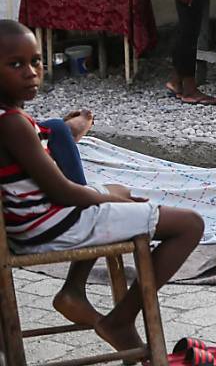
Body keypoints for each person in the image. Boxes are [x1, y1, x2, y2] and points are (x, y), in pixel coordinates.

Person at [0, 20, 204, 353]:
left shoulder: (12, 120)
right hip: (50, 227)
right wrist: (112, 200)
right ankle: (120, 320)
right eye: (16, 64)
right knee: (188, 225)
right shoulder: (12, 124)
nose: (31, 72)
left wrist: (109, 195)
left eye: (36, 61)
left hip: (38, 223)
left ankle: (76, 292)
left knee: (111, 189)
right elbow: (64, 193)